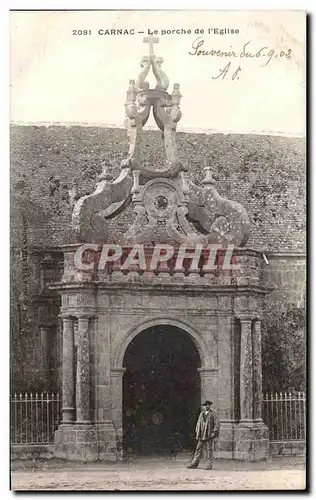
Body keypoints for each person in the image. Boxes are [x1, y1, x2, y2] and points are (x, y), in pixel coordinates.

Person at [187, 400, 220, 470]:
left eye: (207, 405)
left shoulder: (213, 414)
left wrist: (214, 432)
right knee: (198, 449)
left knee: (209, 450)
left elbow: (217, 424)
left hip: (209, 434)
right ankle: (194, 463)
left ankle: (209, 465)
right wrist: (197, 431)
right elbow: (198, 423)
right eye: (205, 405)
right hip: (202, 435)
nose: (206, 406)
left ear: (210, 406)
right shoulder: (201, 414)